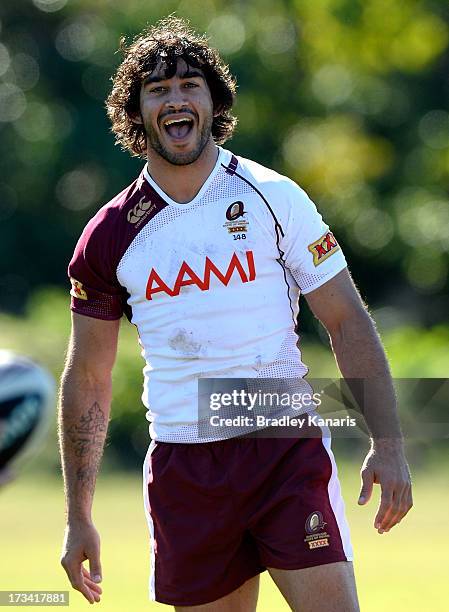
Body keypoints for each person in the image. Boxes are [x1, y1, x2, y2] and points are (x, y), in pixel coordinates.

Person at [58, 16, 413, 611]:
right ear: (137, 112)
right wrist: (78, 516)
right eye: (158, 88)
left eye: (190, 85)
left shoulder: (275, 196)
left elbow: (346, 319)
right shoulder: (109, 236)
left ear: (213, 100)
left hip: (285, 451)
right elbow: (88, 376)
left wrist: (391, 441)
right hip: (185, 467)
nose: (176, 98)